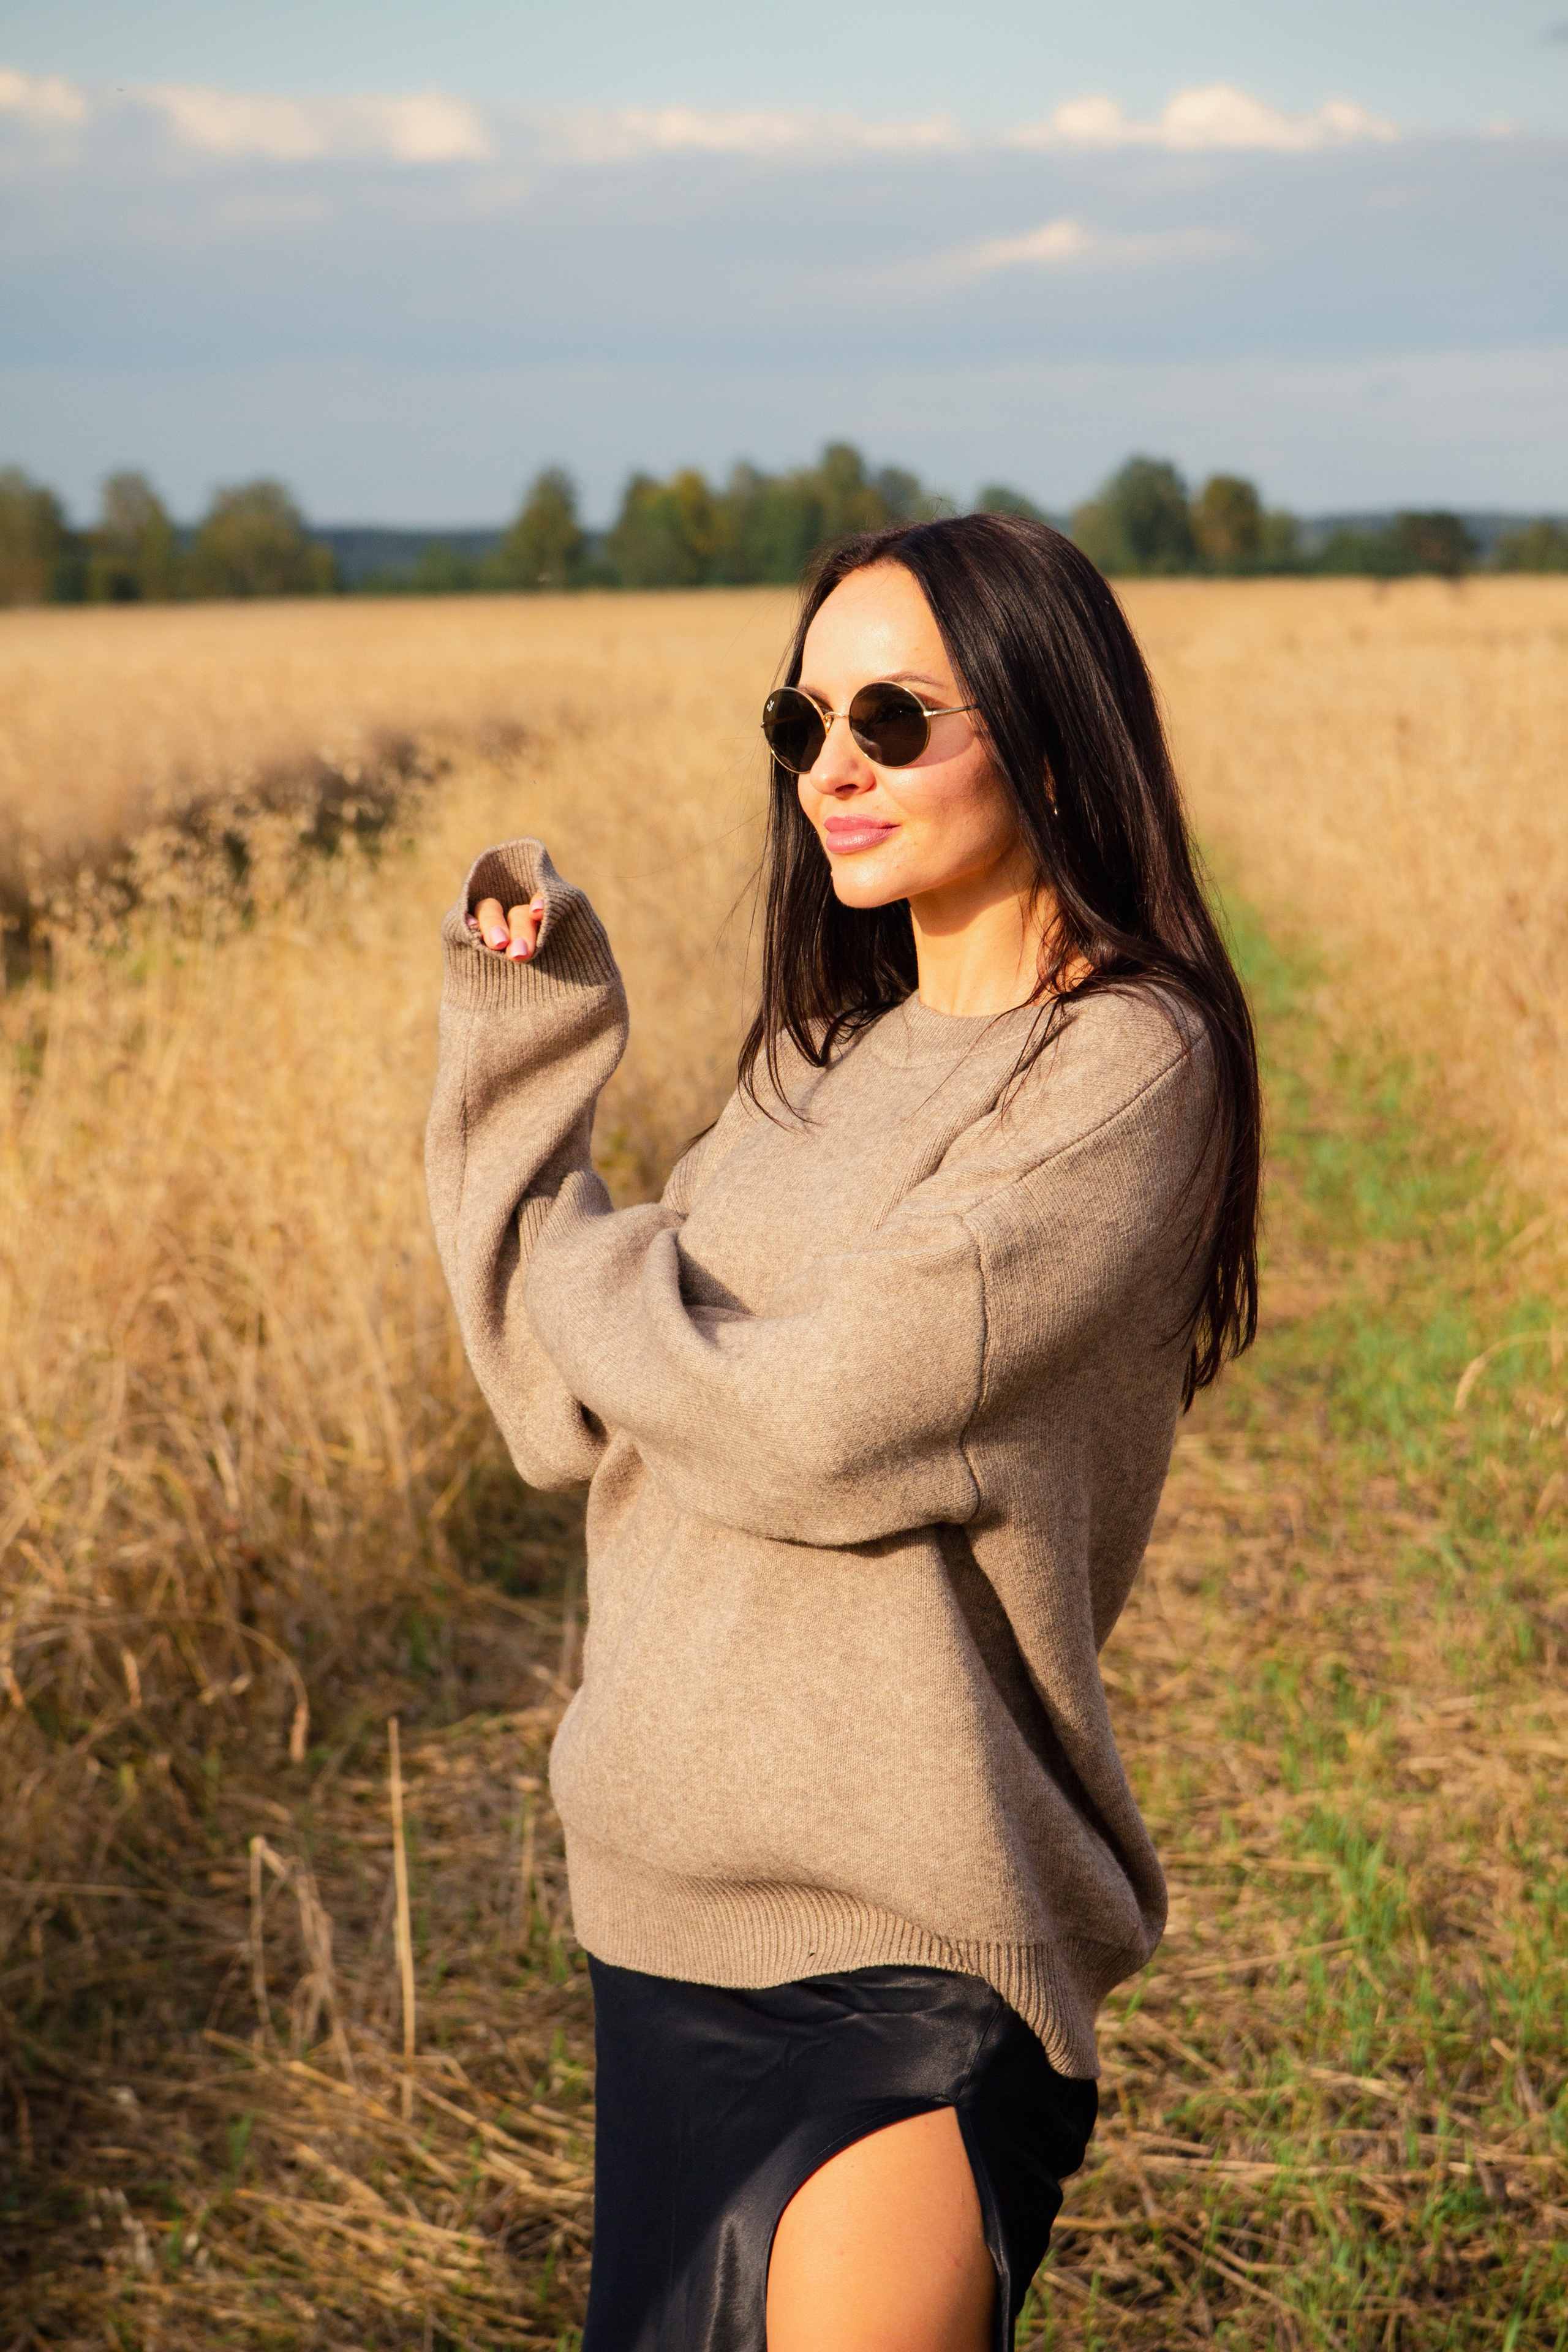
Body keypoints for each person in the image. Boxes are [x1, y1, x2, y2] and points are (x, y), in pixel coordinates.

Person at [426, 512, 1261, 2352]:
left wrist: (618, 1272)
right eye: (800, 725)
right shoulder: (817, 1067)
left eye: (893, 717)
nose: (836, 771)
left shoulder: (1128, 1066)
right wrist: (524, 1045)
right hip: (652, 1933)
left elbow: (804, 1423)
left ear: (1049, 735)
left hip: (911, 1955)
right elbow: (551, 1401)